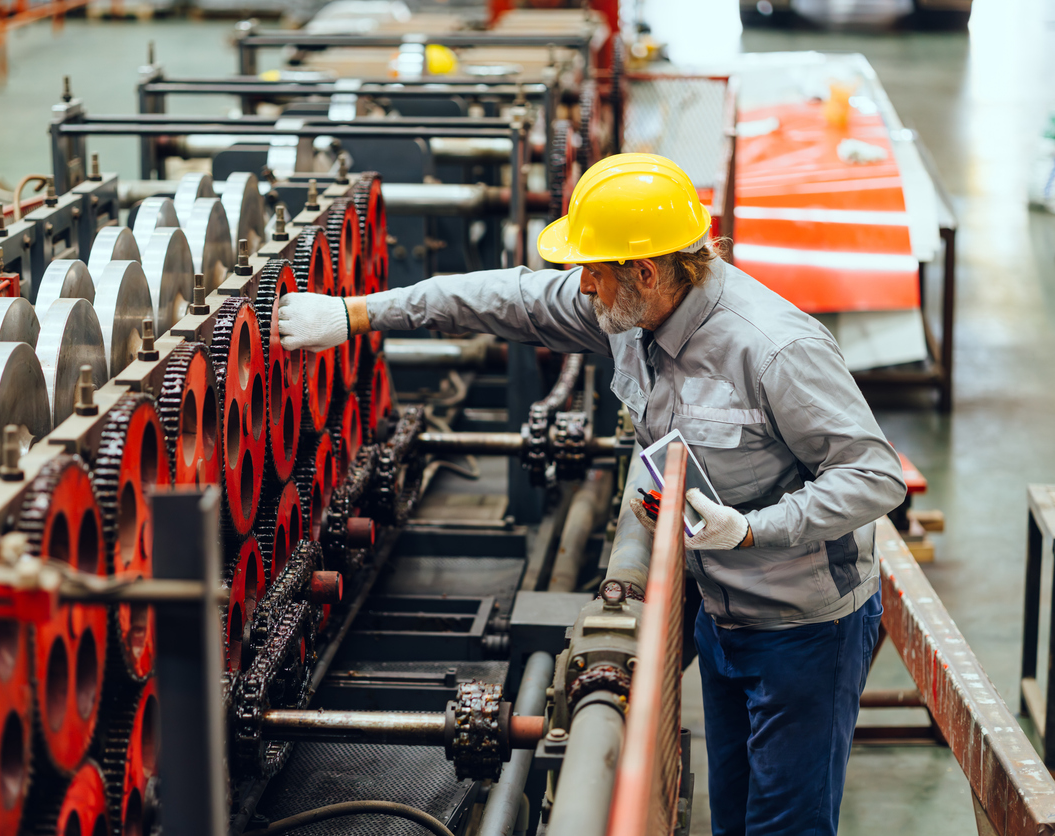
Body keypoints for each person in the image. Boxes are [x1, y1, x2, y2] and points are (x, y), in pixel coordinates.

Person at [276, 153, 907, 835]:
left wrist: (751, 529)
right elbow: (502, 297)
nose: (580, 288)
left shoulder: (771, 349)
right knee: (735, 817)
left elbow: (874, 476)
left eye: (594, 272)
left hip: (804, 629)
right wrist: (358, 314)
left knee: (785, 827)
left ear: (644, 270)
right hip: (721, 614)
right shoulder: (630, 314)